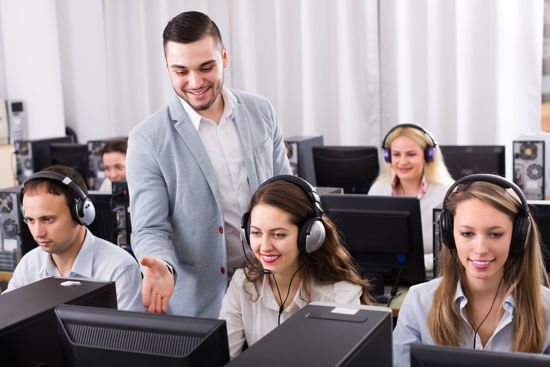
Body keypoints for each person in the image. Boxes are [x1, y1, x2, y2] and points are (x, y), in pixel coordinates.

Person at [126, 11, 291, 317]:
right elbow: (150, 227)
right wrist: (160, 263)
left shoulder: (261, 111)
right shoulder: (146, 139)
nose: (196, 82)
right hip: (202, 298)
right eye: (181, 71)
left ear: (224, 56)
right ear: (167, 69)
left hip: (273, 283)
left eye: (206, 67)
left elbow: (288, 194)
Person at [393, 174, 550, 367]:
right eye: (467, 233)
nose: (481, 249)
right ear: (449, 235)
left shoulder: (547, 308)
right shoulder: (419, 303)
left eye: (495, 234)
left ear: (519, 237)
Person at [219, 175, 371, 359]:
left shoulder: (340, 295)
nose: (264, 246)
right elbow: (223, 357)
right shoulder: (243, 282)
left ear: (310, 236)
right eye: (256, 233)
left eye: (279, 235)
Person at [4, 165, 143, 311]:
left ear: (81, 214)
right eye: (30, 220)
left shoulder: (119, 269)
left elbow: (123, 334)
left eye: (47, 219)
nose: (38, 233)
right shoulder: (29, 265)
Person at [368, 123, 454, 270]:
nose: (402, 161)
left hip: (434, 274)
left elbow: (455, 249)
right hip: (387, 273)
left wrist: (420, 263)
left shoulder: (446, 194)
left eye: (411, 154)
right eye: (396, 154)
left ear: (428, 156)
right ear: (388, 157)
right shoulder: (378, 190)